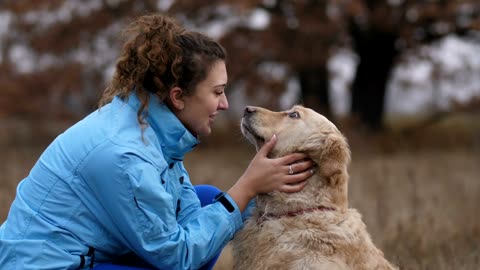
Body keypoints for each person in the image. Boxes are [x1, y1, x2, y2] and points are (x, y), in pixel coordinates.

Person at [0, 14, 314, 269]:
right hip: (48, 265)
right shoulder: (126, 156)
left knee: (207, 198)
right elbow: (176, 257)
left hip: (90, 250)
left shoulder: (150, 121)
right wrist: (245, 189)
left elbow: (185, 211)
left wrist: (277, 207)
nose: (226, 104)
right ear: (178, 96)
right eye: (217, 92)